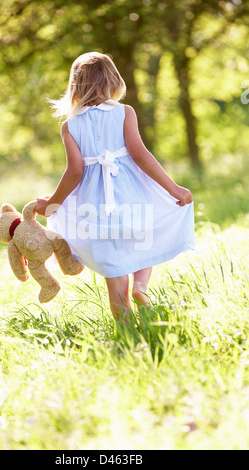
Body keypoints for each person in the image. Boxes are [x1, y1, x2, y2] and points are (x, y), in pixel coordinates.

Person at [35, 52, 194, 322]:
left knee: (113, 265)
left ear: (75, 86)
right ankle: (141, 288)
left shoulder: (70, 125)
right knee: (143, 240)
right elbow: (141, 155)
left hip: (94, 206)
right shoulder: (124, 112)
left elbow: (74, 171)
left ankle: (126, 329)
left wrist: (53, 205)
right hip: (130, 194)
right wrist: (174, 189)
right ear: (113, 81)